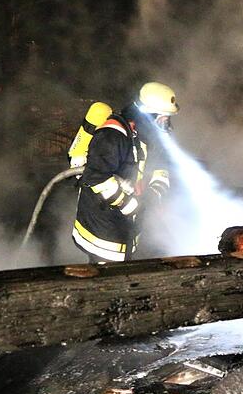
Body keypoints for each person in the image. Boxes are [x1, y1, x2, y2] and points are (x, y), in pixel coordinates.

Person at [71, 82, 177, 263]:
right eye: (163, 120)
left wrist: (155, 192)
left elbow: (161, 167)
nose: (166, 125)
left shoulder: (144, 135)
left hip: (127, 228)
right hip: (103, 233)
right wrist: (131, 205)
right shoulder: (113, 135)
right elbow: (96, 178)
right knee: (107, 281)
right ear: (149, 116)